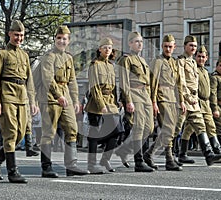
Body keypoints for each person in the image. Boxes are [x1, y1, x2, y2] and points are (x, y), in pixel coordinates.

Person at [0, 20, 37, 183]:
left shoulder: (24, 55)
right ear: (9, 34)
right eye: (16, 35)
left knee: (20, 133)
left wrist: (32, 101)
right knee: (11, 133)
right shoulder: (1, 53)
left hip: (22, 96)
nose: (19, 38)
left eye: (21, 35)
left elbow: (29, 80)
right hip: (7, 96)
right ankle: (13, 171)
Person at [37, 25, 89, 178]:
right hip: (51, 98)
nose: (61, 41)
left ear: (68, 41)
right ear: (55, 39)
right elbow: (47, 78)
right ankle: (46, 167)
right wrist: (58, 95)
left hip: (65, 95)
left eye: (64, 38)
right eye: (59, 38)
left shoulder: (68, 58)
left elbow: (72, 80)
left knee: (72, 129)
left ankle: (71, 165)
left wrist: (75, 100)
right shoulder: (49, 56)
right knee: (49, 133)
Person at [174, 36, 221, 166]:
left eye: (194, 46)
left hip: (197, 102)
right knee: (175, 129)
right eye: (191, 45)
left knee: (201, 126)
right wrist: (185, 99)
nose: (193, 48)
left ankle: (210, 155)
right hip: (185, 100)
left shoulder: (195, 65)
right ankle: (154, 154)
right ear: (185, 46)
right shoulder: (181, 61)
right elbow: (180, 83)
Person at [143, 34, 186, 171]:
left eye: (170, 46)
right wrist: (154, 101)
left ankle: (153, 155)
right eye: (165, 46)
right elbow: (153, 82)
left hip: (173, 99)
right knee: (167, 129)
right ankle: (166, 158)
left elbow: (178, 84)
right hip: (162, 98)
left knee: (172, 130)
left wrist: (182, 101)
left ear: (174, 47)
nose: (168, 49)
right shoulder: (158, 61)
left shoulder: (174, 62)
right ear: (162, 47)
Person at [115, 31, 154, 172]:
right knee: (139, 127)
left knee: (149, 127)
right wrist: (128, 101)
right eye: (136, 41)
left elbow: (148, 81)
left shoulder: (142, 61)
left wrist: (150, 98)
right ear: (130, 43)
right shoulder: (126, 59)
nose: (139, 44)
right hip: (133, 92)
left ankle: (124, 149)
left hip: (145, 94)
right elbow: (124, 82)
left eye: (141, 42)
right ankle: (139, 161)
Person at [84, 37, 122, 174]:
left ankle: (105, 159)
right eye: (104, 47)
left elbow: (114, 87)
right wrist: (101, 105)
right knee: (94, 134)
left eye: (109, 48)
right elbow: (94, 87)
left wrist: (117, 102)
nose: (107, 50)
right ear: (99, 49)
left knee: (118, 131)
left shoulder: (111, 66)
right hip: (96, 103)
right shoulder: (95, 65)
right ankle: (91, 165)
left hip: (110, 102)